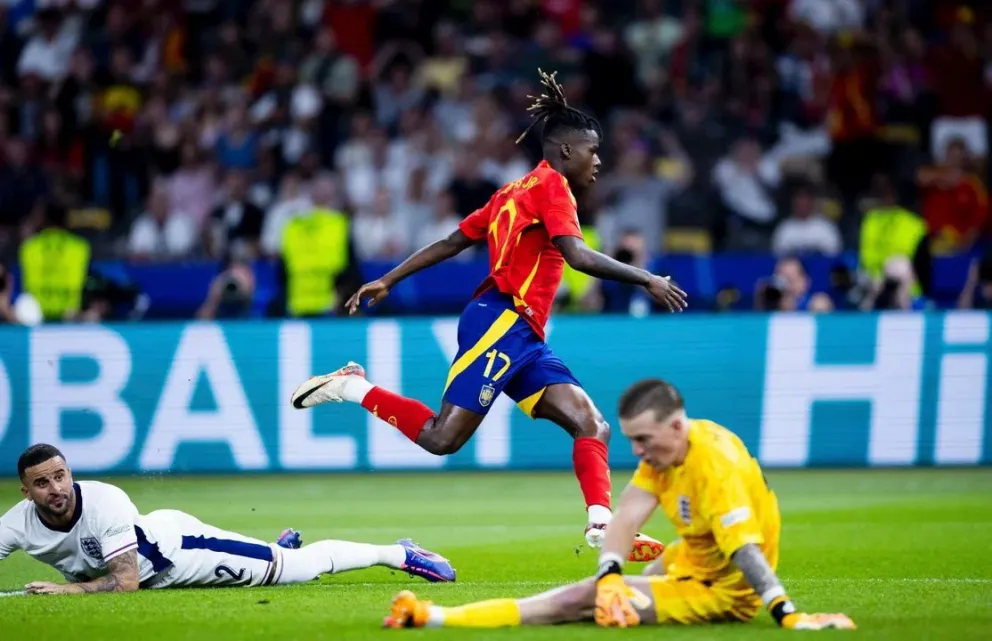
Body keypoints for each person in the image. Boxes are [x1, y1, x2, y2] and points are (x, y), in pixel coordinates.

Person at [290, 69, 686, 554]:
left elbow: (452, 241)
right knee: (442, 439)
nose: (598, 160)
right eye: (593, 150)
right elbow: (578, 256)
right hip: (502, 321)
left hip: (524, 333)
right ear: (566, 150)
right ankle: (351, 385)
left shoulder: (511, 191)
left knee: (591, 425)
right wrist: (646, 278)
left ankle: (603, 526)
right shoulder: (553, 189)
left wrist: (390, 278)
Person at [384, 379, 856, 632]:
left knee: (580, 599)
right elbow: (628, 515)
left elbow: (745, 552)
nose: (637, 451)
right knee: (620, 585)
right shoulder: (671, 449)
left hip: (722, 589)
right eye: (632, 440)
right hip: (692, 559)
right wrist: (611, 572)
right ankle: (625, 588)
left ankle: (433, 616)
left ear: (675, 427)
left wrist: (785, 613)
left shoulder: (717, 468)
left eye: (643, 440)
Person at [0, 444, 454, 594]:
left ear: (70, 473)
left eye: (60, 476)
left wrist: (68, 590)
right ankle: (271, 550)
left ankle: (399, 553)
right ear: (26, 492)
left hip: (181, 554)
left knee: (297, 570)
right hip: (157, 545)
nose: (55, 488)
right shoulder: (18, 522)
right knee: (273, 560)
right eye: (42, 483)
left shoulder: (104, 503)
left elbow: (126, 582)